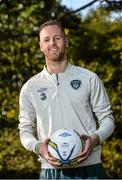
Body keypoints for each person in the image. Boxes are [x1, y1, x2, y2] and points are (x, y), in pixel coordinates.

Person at [19, 20, 115, 179]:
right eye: (46, 39)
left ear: (66, 41)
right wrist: (38, 147)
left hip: (90, 168)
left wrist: (95, 139)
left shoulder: (89, 78)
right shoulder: (30, 87)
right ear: (41, 46)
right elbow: (25, 130)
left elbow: (108, 119)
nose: (52, 43)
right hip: (51, 170)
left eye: (57, 38)